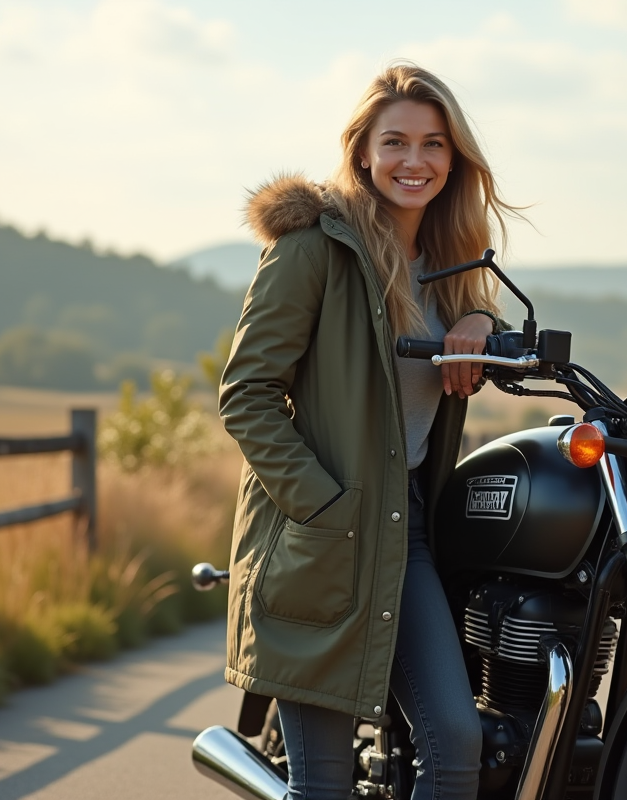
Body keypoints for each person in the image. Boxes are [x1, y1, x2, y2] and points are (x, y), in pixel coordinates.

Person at [218, 63, 522, 800]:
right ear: (362, 151)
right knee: (323, 784)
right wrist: (325, 505)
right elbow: (246, 394)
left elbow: (489, 336)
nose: (414, 162)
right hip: (320, 535)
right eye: (395, 143)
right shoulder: (313, 246)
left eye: (433, 145)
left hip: (406, 527)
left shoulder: (450, 269)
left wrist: (483, 320)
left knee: (455, 746)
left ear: (455, 160)